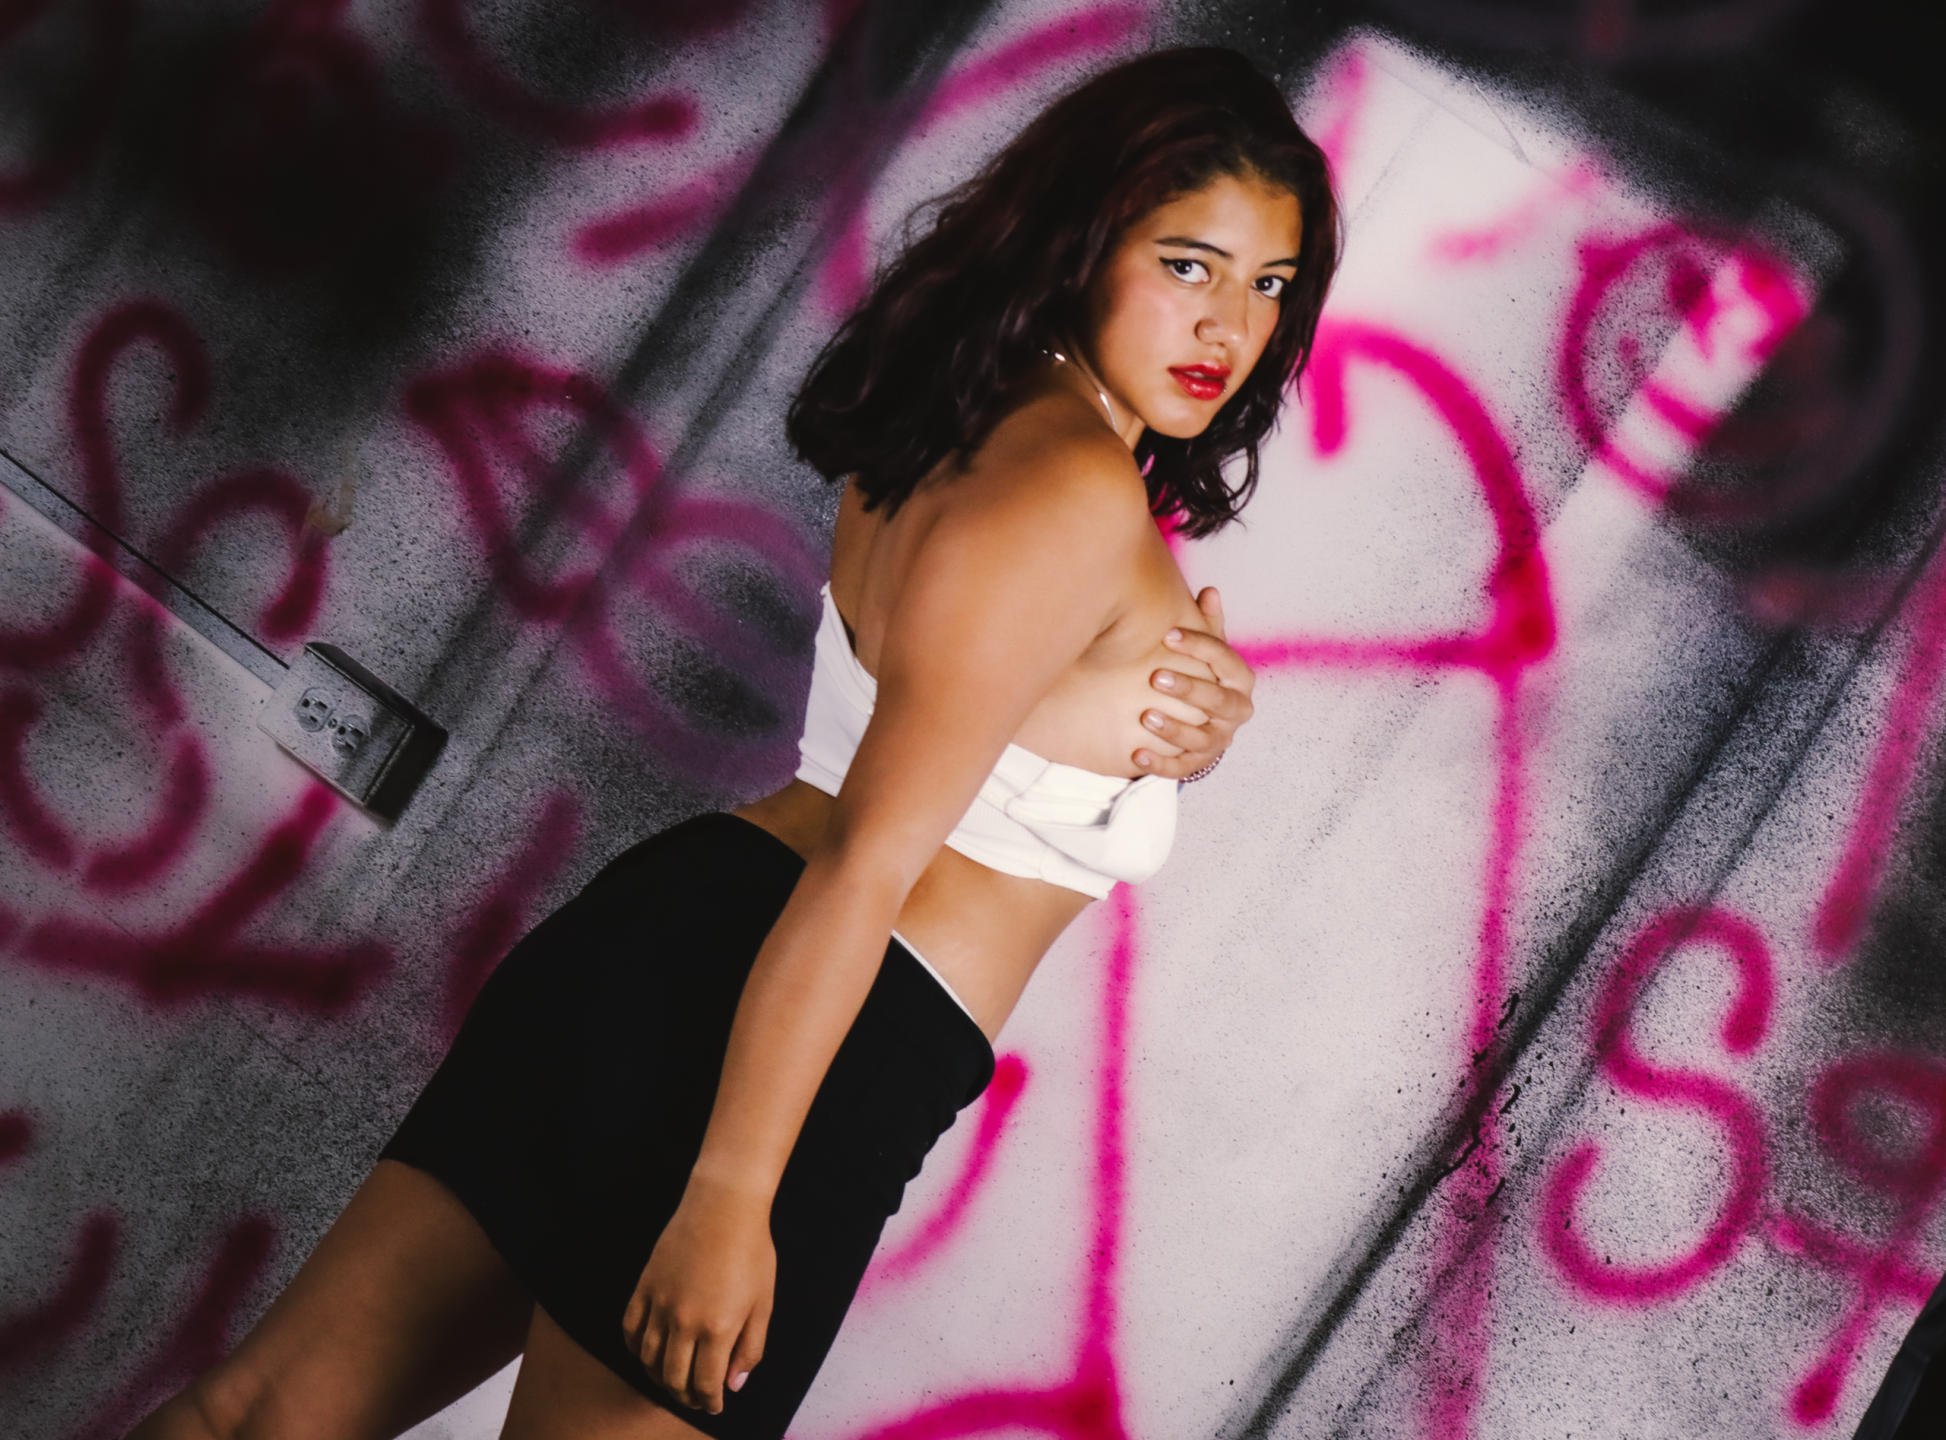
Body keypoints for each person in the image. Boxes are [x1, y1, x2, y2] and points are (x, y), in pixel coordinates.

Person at [127, 45, 1338, 1440]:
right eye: (1188, 265)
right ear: (1085, 241)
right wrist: (728, 1195)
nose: (1231, 326)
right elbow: (869, 862)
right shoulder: (1068, 491)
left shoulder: (972, 423)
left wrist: (1183, 728)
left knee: (262, 1414)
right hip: (812, 1038)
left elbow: (989, 747)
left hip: (673, 943)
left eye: (1270, 285)